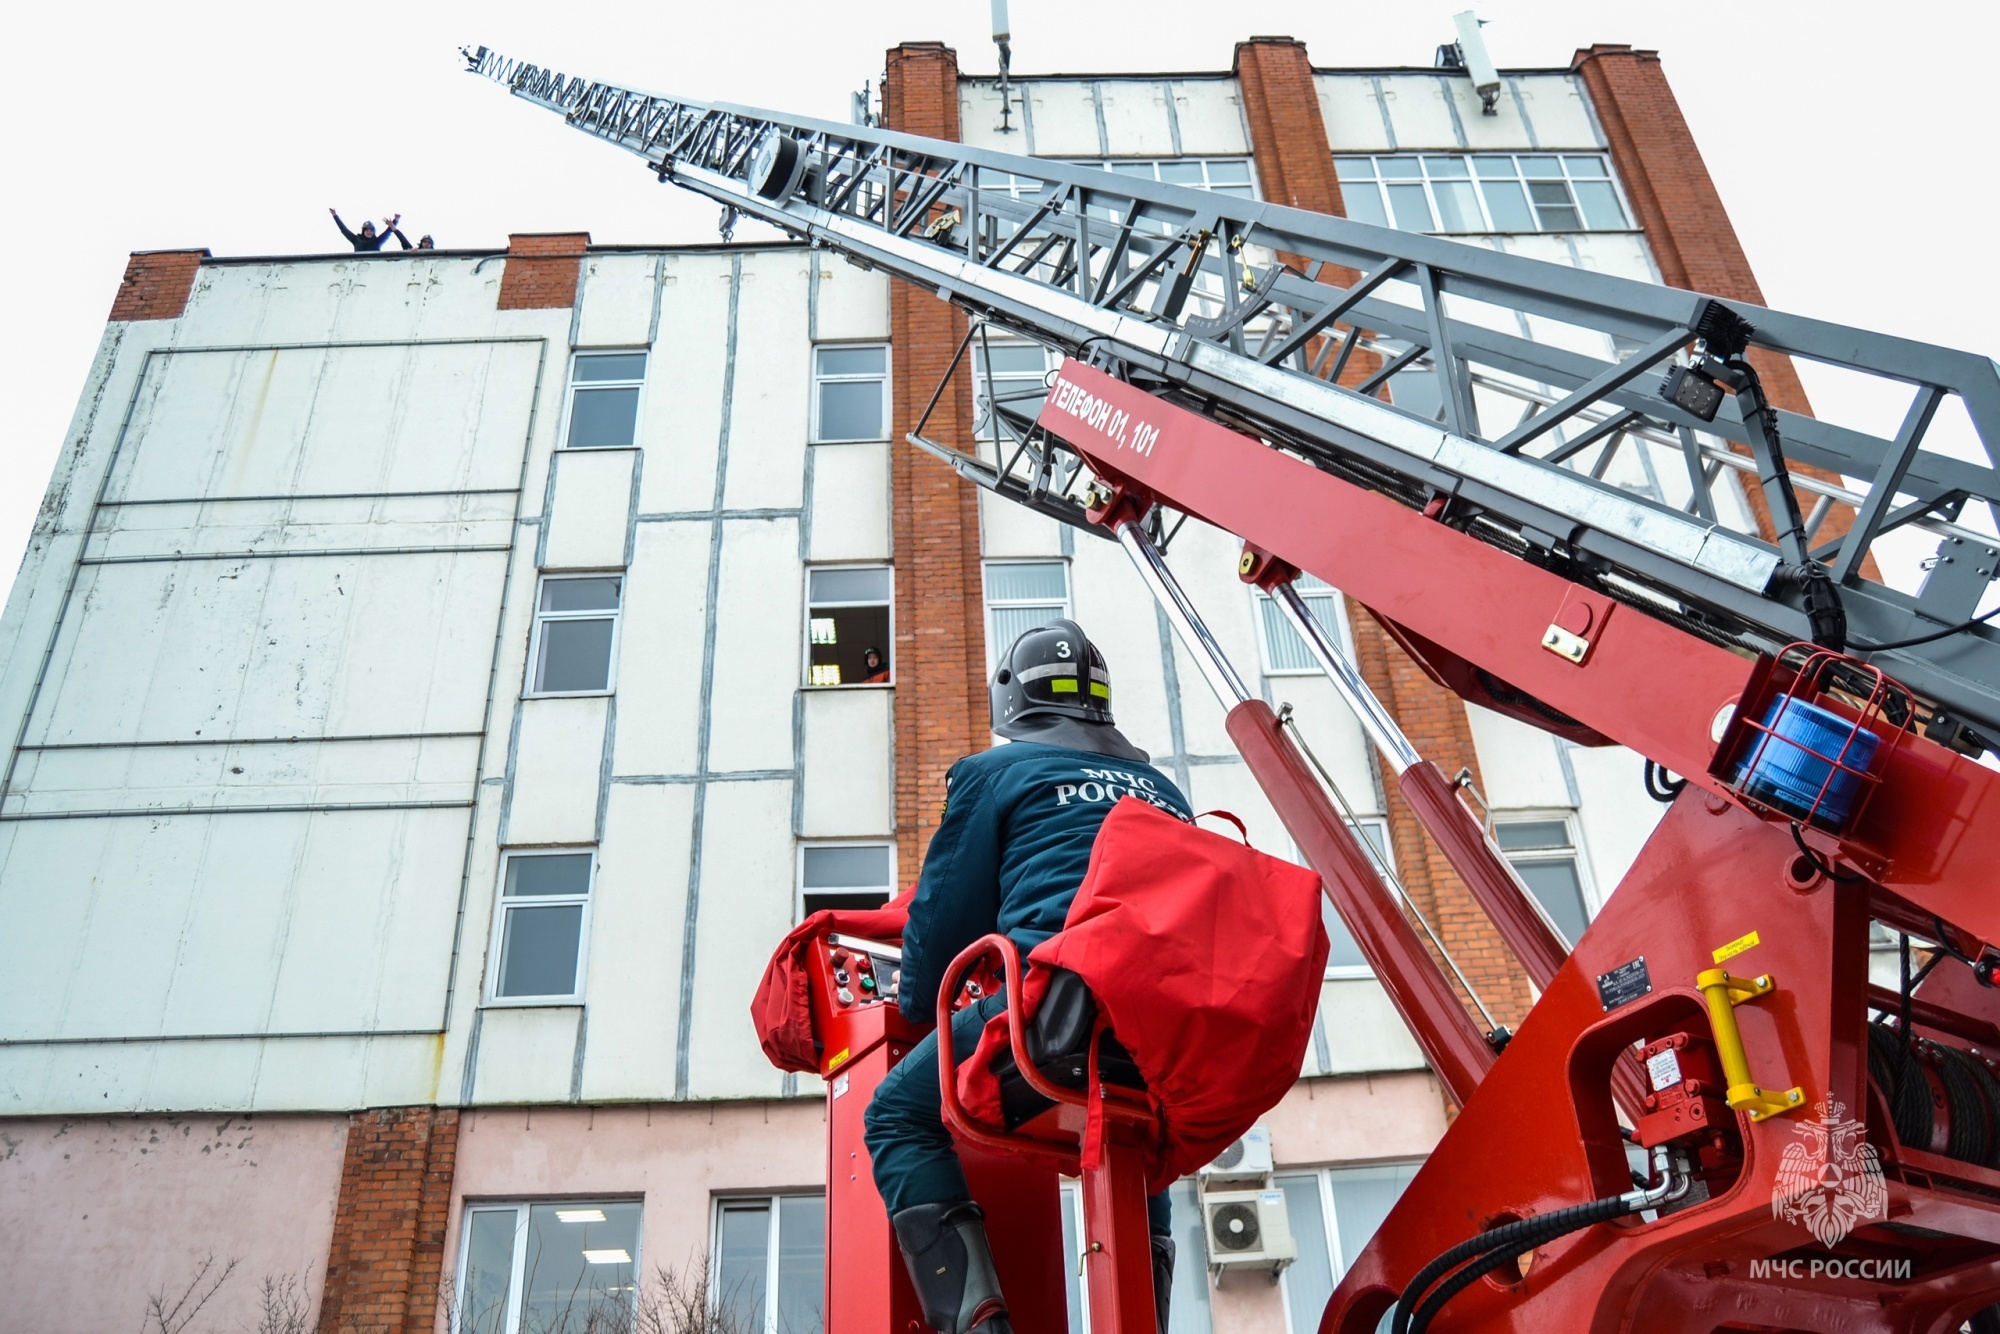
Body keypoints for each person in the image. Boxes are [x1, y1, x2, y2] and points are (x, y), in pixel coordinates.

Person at [863, 619, 1190, 1334]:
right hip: (1168, 1040)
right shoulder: (1165, 792)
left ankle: (978, 1324)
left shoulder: (993, 774)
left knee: (895, 1113)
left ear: (1013, 700)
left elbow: (942, 924)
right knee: (1138, 1140)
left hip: (1055, 1018)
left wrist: (919, 1000)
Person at [329, 209, 400, 253]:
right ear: (363, 231)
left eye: (371, 231)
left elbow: (388, 231)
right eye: (367, 230)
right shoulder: (356, 240)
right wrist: (335, 216)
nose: (369, 232)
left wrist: (396, 220)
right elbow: (344, 229)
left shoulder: (377, 241)